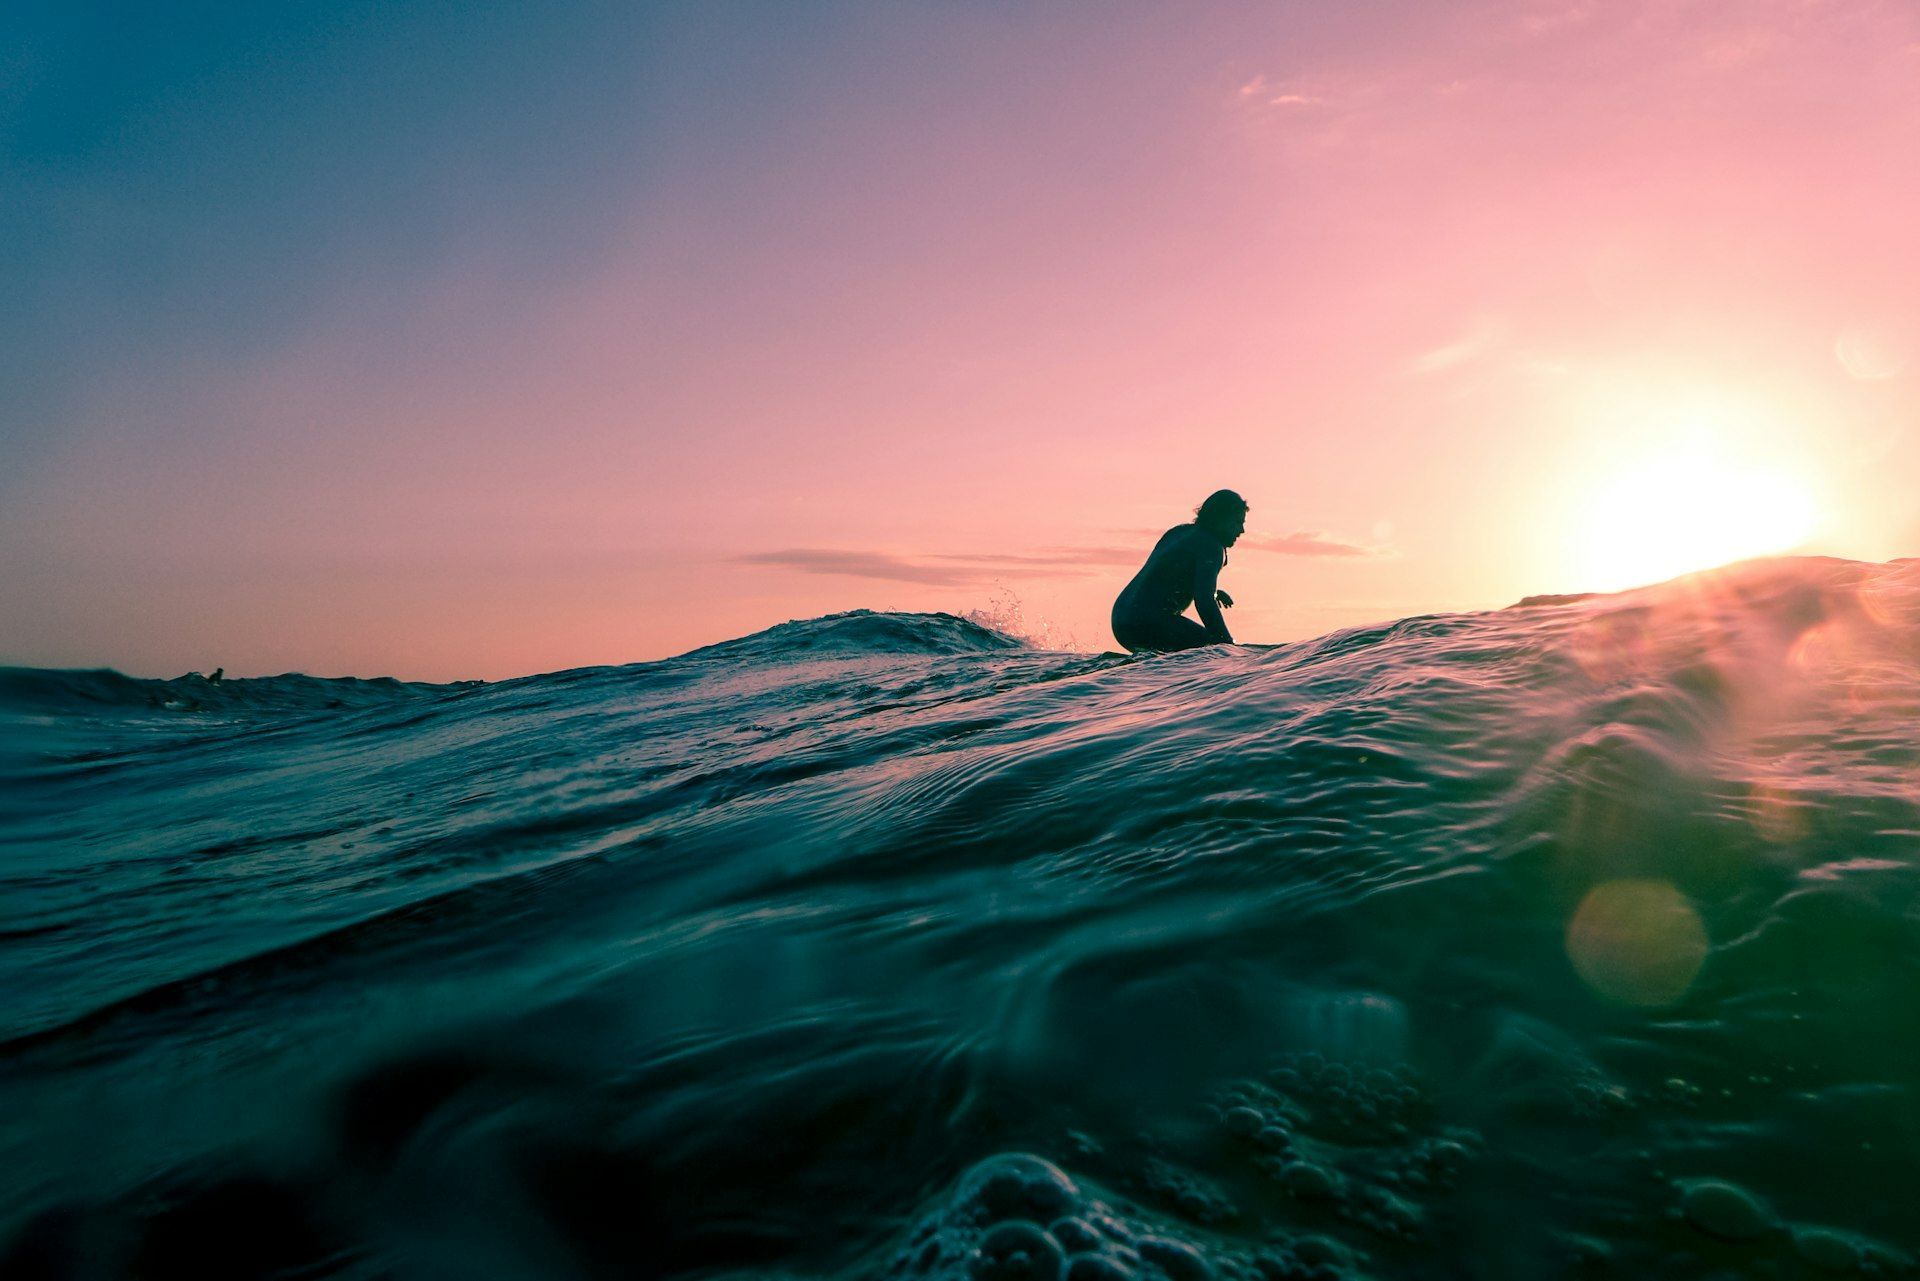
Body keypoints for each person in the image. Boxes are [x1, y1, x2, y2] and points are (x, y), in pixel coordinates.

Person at [1111, 489, 1247, 653]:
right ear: (1220, 520)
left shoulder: (1178, 532)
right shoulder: (1211, 546)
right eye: (1237, 522)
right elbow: (1204, 601)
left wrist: (1214, 592)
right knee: (1211, 650)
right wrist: (1227, 646)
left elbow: (1165, 576)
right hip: (1148, 621)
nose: (1241, 530)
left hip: (1121, 619)